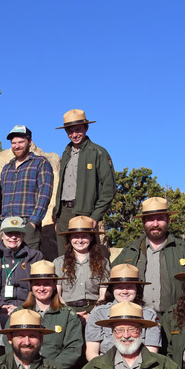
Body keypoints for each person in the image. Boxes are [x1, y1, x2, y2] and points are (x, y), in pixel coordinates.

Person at [51, 110, 115, 260]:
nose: (74, 134)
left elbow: (109, 188)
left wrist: (95, 215)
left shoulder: (98, 152)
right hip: (64, 214)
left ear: (86, 128)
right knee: (64, 258)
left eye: (78, 129)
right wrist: (58, 216)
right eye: (70, 131)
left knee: (88, 257)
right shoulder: (66, 153)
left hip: (85, 212)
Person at [113, 197, 185, 312]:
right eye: (150, 219)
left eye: (160, 219)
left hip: (175, 317)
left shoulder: (183, 250)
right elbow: (112, 281)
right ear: (143, 222)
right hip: (138, 317)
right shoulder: (130, 250)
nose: (155, 224)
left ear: (168, 220)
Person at [0, 125, 54, 252]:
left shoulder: (40, 163)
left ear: (30, 142)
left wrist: (34, 222)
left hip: (27, 224)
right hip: (5, 225)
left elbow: (45, 194)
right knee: (2, 266)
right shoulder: (7, 168)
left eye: (21, 142)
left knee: (29, 265)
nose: (17, 146)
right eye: (13, 143)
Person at [19, 261, 84, 369]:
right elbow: (9, 344)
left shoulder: (68, 315)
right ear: (31, 286)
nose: (42, 288)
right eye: (37, 284)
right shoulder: (19, 313)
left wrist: (48, 368)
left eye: (47, 284)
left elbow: (73, 349)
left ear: (55, 285)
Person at [84, 265, 163, 359]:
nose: (125, 291)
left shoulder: (150, 315)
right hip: (105, 366)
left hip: (140, 366)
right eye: (120, 287)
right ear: (112, 289)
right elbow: (91, 352)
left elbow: (151, 353)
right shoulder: (98, 313)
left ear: (137, 289)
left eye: (130, 287)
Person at [0, 217, 44, 322]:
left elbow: (38, 288)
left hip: (28, 309)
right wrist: (2, 306)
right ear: (2, 235)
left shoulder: (35, 257)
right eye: (9, 233)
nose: (13, 237)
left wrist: (21, 308)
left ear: (23, 235)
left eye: (17, 233)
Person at [53, 216, 110, 317]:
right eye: (75, 236)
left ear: (91, 238)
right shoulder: (58, 263)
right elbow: (57, 294)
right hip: (66, 310)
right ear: (70, 238)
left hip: (95, 310)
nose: (80, 240)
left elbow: (103, 295)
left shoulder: (103, 262)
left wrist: (92, 314)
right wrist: (70, 314)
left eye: (84, 236)